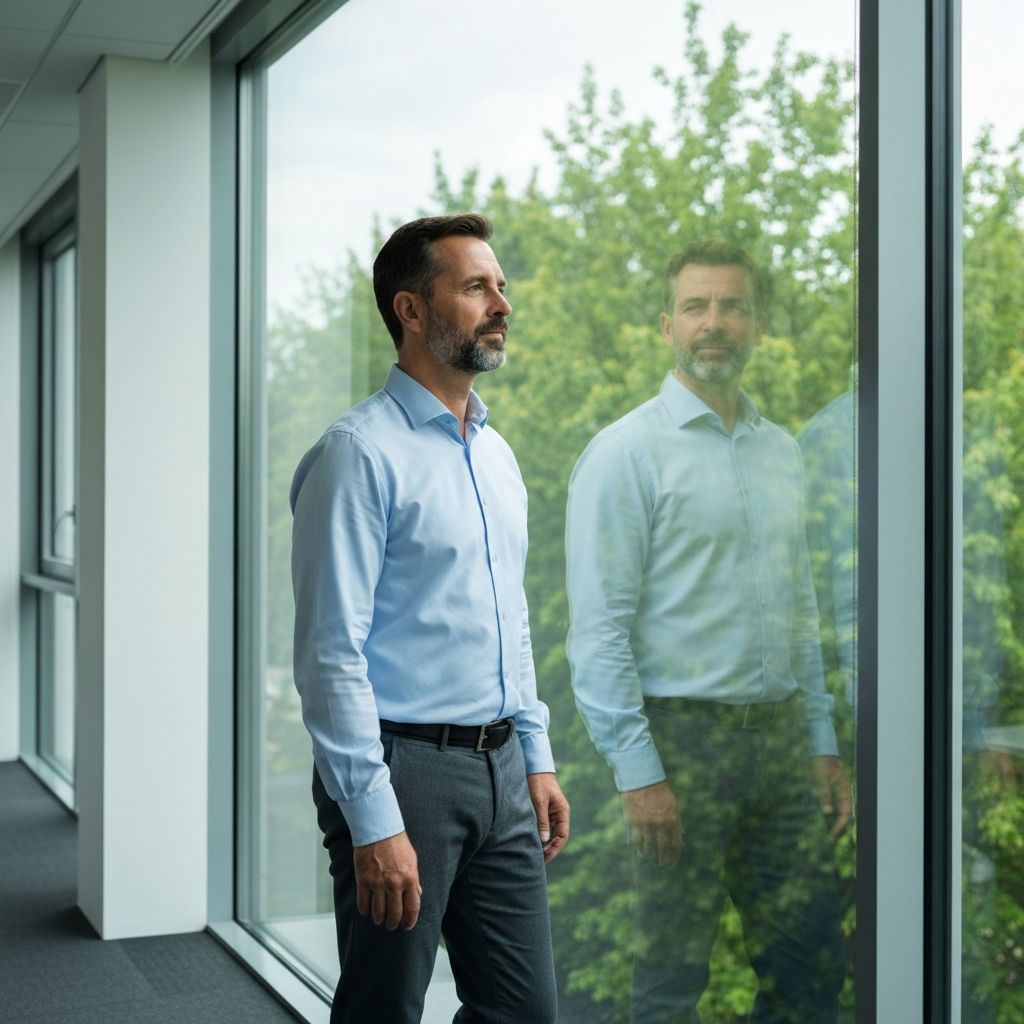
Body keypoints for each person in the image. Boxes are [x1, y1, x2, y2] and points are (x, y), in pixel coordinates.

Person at [290, 213, 569, 1024]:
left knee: (524, 1012)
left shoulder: (496, 452)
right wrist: (374, 821)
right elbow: (329, 656)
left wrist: (536, 753)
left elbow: (505, 617)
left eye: (502, 286)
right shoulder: (357, 454)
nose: (501, 303)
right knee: (385, 1009)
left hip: (503, 768)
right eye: (476, 286)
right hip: (401, 768)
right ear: (411, 310)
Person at [565, 238, 850, 1024]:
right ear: (667, 325)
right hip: (678, 747)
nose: (714, 322)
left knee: (812, 973)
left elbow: (801, 614)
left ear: (758, 324)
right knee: (670, 984)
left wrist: (822, 742)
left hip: (781, 748)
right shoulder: (626, 454)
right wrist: (639, 773)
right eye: (697, 306)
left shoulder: (781, 452)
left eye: (732, 306)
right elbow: (597, 631)